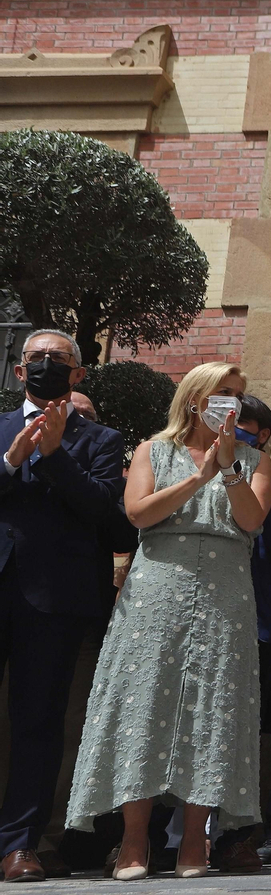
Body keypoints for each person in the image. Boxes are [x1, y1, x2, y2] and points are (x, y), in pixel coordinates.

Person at [66, 361, 271, 880]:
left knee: (214, 706)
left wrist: (226, 469)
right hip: (158, 587)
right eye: (222, 392)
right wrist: (198, 477)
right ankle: (135, 841)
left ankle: (194, 845)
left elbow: (251, 520)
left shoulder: (254, 460)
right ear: (195, 397)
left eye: (237, 395)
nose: (232, 402)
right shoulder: (153, 450)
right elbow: (137, 513)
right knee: (144, 699)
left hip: (226, 589)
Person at [0, 330, 125, 883]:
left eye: (59, 360)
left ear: (78, 374)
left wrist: (53, 457)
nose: (46, 366)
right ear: (19, 370)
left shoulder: (100, 439)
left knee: (38, 722)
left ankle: (20, 844)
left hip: (52, 600)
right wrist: (10, 462)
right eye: (36, 359)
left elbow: (105, 512)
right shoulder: (0, 427)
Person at [208, 395, 271, 873]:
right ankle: (176, 836)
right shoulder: (191, 471)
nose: (232, 428)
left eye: (243, 423)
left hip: (259, 623)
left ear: (262, 433)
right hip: (201, 617)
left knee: (247, 734)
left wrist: (249, 485)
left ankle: (240, 837)